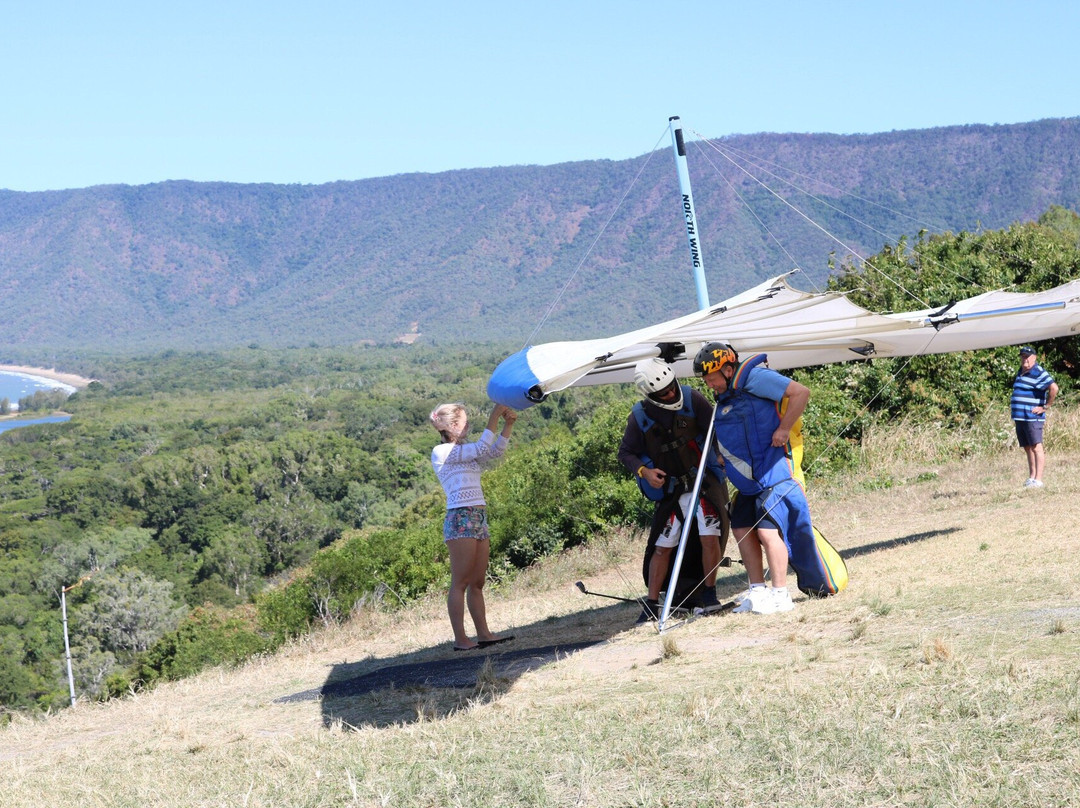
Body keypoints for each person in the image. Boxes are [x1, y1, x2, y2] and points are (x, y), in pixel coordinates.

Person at [694, 342, 839, 615]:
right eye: (706, 381)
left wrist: (784, 429)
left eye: (712, 379)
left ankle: (780, 594)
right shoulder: (727, 395)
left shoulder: (755, 377)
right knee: (742, 529)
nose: (709, 385)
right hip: (750, 483)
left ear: (728, 370)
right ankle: (758, 591)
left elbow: (800, 393)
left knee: (767, 531)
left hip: (774, 474)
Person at [617, 357, 730, 621]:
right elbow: (625, 453)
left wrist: (719, 454)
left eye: (671, 387)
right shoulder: (640, 416)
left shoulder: (692, 398)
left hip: (702, 482)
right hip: (671, 489)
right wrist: (645, 472)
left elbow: (717, 429)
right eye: (664, 393)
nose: (670, 394)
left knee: (709, 537)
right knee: (662, 546)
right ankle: (652, 604)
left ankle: (709, 595)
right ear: (651, 395)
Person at [430, 401, 517, 650]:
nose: (468, 425)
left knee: (477, 581)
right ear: (452, 425)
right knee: (460, 581)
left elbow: (494, 452)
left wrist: (508, 425)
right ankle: (461, 640)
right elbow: (482, 447)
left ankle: (484, 634)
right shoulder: (441, 452)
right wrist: (494, 416)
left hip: (478, 515)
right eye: (464, 422)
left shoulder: (465, 451)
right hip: (460, 517)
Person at [1011, 345, 1058, 488]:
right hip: (1020, 417)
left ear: (1034, 358)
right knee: (1027, 447)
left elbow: (1054, 388)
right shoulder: (1021, 371)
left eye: (1027, 357)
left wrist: (1045, 406)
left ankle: (1038, 479)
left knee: (1036, 446)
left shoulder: (1038, 372)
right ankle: (1032, 477)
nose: (1024, 359)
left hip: (1032, 417)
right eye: (1023, 356)